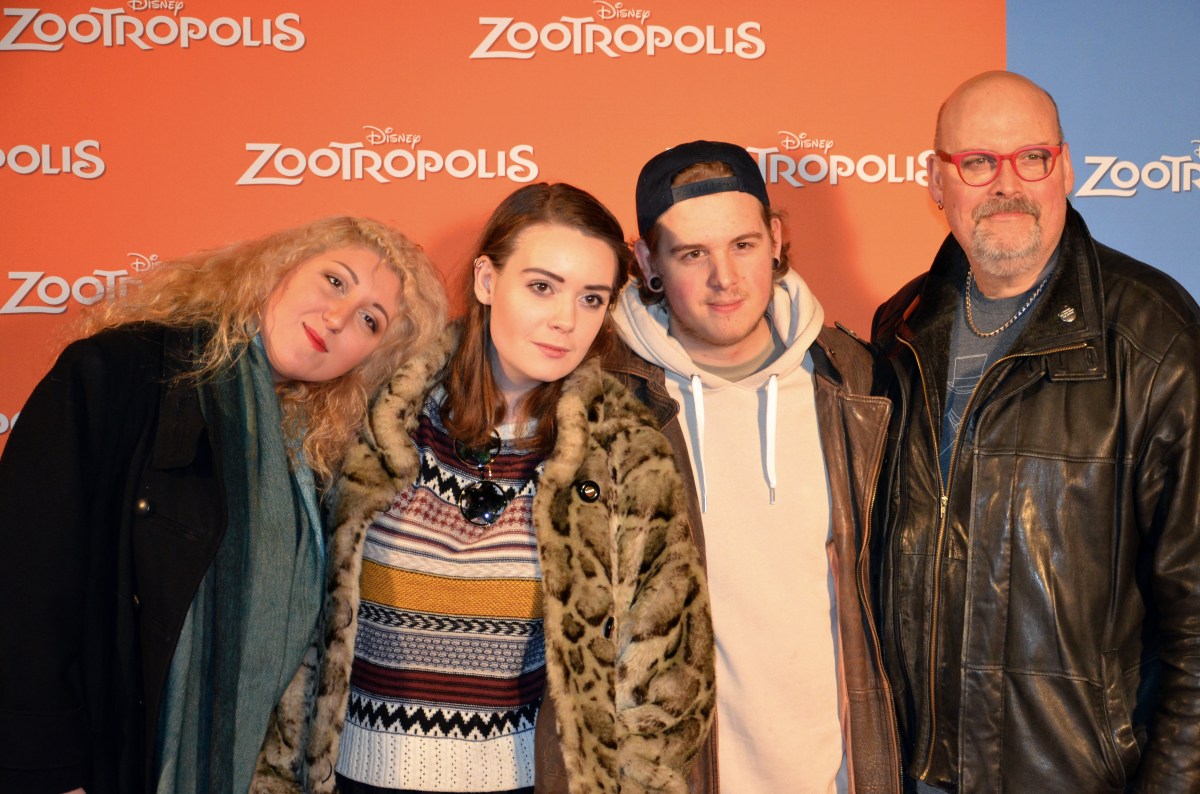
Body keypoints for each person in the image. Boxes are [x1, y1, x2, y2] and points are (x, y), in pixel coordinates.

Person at [252, 183, 715, 794]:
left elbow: (669, 676)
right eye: (542, 286)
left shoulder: (625, 454)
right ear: (487, 280)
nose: (565, 320)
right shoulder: (370, 414)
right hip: (348, 779)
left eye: (591, 298)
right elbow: (279, 626)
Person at [0, 216, 448, 794]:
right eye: (335, 281)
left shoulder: (311, 456)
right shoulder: (121, 371)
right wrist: (47, 771)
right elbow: (25, 581)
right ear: (279, 269)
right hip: (105, 763)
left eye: (370, 320)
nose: (338, 318)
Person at [871, 70, 1200, 791]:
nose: (1007, 184)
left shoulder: (1154, 337)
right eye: (977, 162)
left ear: (1065, 168)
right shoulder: (902, 331)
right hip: (911, 771)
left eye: (1032, 158)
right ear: (936, 181)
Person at [608, 140, 900, 792]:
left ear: (775, 239)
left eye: (742, 245)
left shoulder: (856, 385)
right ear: (648, 262)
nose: (725, 278)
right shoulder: (602, 401)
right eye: (692, 254)